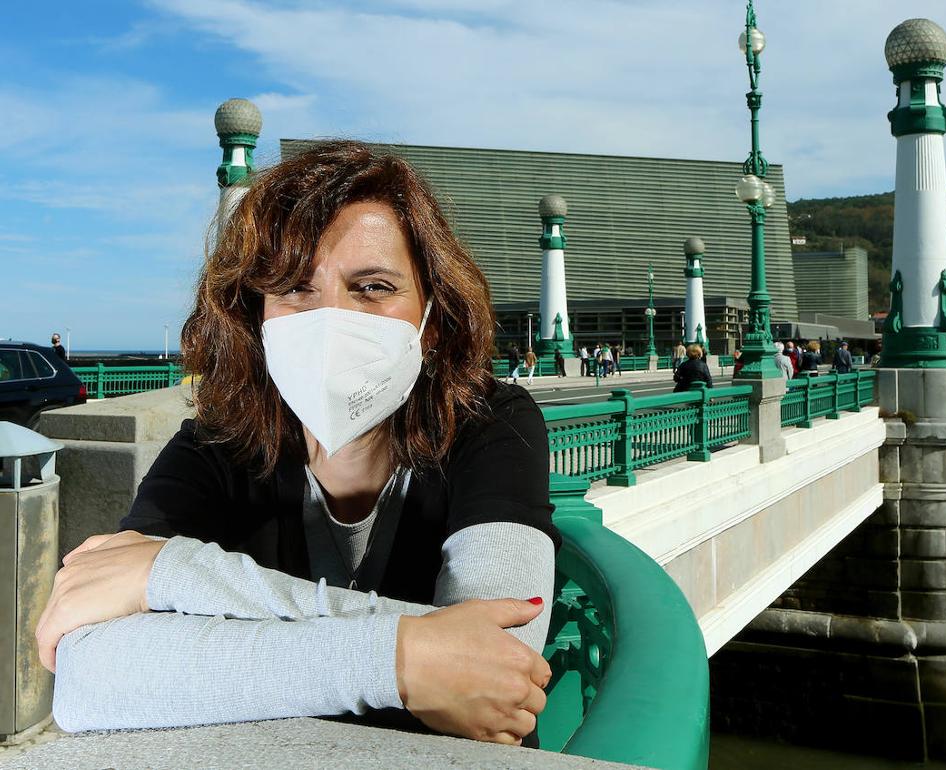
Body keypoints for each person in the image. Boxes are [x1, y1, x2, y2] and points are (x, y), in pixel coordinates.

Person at [36, 141, 557, 746]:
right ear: (258, 318)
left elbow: (505, 665)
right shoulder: (217, 444)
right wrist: (404, 658)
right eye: (295, 289)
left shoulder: (492, 423)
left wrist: (177, 573)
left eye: (373, 287)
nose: (330, 319)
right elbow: (91, 676)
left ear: (432, 321)